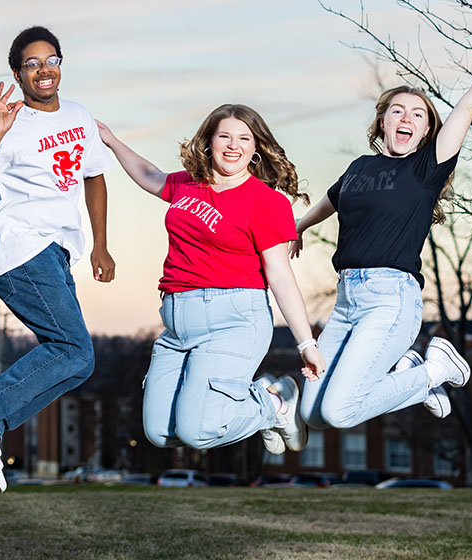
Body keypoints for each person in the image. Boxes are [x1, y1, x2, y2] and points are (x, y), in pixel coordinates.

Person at [291, 17, 472, 431]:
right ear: (382, 121)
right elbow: (333, 198)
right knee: (313, 416)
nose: (406, 117)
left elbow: (468, 104)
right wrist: (301, 226)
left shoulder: (425, 167)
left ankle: (434, 371)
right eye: (397, 110)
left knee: (338, 411)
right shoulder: (360, 166)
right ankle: (415, 372)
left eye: (418, 114)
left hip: (390, 298)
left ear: (426, 131)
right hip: (347, 299)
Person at [0, 26, 115, 492]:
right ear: (18, 73)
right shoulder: (3, 123)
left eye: (51, 60)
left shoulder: (78, 115)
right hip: (17, 246)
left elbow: (94, 177)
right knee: (74, 348)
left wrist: (99, 243)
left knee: (80, 362)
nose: (44, 70)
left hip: (57, 251)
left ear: (61, 64)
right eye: (32, 64)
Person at [97, 105, 325, 456]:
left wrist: (305, 344)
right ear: (209, 141)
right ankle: (265, 402)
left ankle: (273, 403)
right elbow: (148, 174)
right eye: (225, 136)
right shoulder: (188, 184)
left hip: (233, 320)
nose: (233, 146)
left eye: (244, 138)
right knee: (160, 432)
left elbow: (280, 275)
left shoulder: (265, 202)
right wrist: (111, 141)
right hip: (177, 324)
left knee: (197, 430)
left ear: (256, 148)